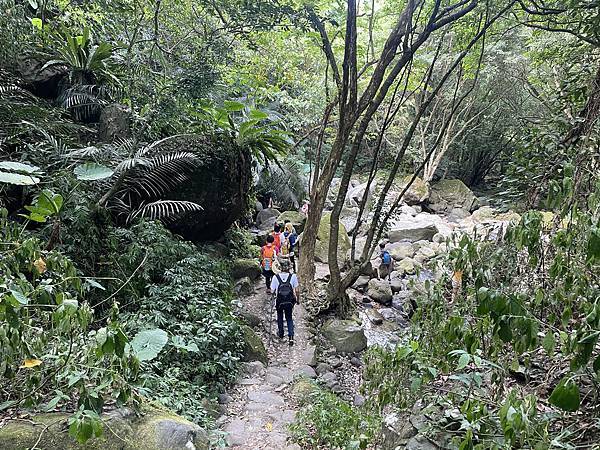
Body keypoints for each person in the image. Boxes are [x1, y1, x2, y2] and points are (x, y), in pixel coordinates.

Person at [271, 259, 299, 345]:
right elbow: (297, 290)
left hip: (279, 302)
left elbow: (272, 291)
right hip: (289, 301)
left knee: (279, 317)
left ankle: (281, 334)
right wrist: (298, 300)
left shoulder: (275, 277)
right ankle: (291, 337)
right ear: (289, 267)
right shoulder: (293, 276)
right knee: (289, 318)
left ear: (280, 268)